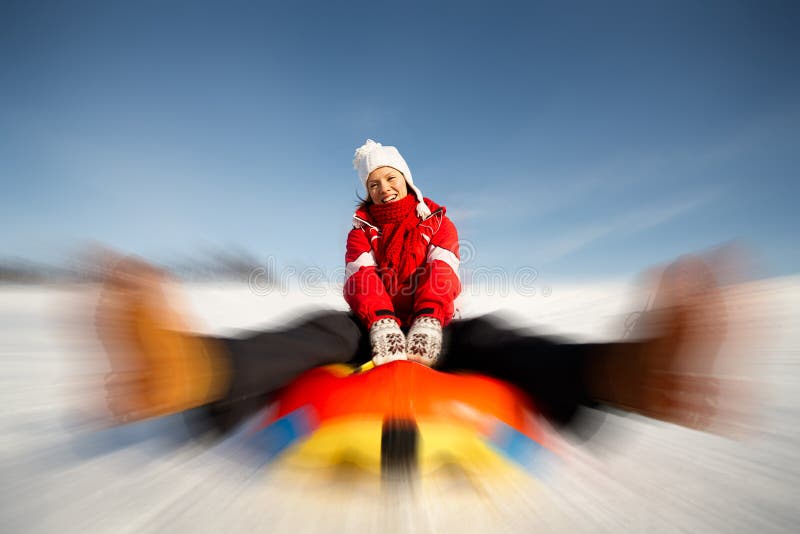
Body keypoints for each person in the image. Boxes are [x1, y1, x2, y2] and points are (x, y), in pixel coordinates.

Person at [95, 140, 729, 437]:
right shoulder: (359, 229)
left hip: (430, 330)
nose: (382, 188)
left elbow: (444, 271)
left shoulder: (437, 222)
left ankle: (623, 373)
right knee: (315, 329)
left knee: (492, 336)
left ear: (408, 180)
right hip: (368, 328)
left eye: (390, 178)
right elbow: (360, 277)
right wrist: (378, 325)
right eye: (373, 183)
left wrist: (427, 320)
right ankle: (193, 369)